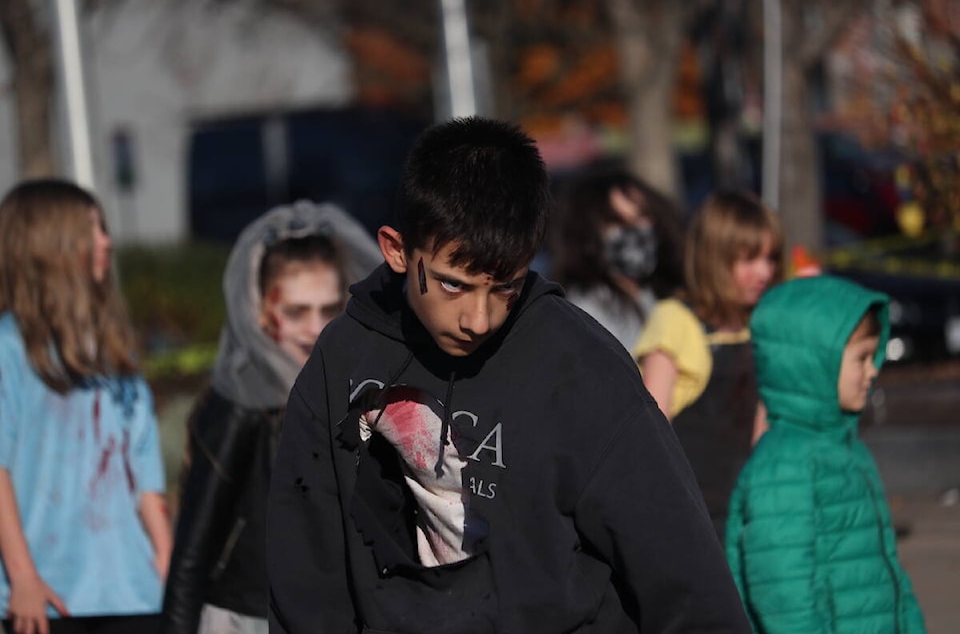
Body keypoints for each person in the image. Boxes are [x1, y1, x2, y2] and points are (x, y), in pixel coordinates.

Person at [266, 117, 751, 633]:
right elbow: (306, 557)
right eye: (454, 285)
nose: (480, 319)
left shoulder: (580, 368)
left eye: (505, 287)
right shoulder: (345, 356)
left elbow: (677, 564)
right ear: (398, 251)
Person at [161, 201, 381, 634]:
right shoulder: (240, 406)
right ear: (262, 313)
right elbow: (193, 552)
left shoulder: (358, 398)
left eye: (329, 309)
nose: (316, 328)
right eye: (296, 312)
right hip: (248, 616)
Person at [0, 179, 170, 634]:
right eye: (89, 229)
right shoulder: (9, 348)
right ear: (46, 243)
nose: (105, 242)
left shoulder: (115, 352)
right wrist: (22, 577)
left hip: (135, 591)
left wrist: (165, 557)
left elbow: (143, 469)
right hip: (48, 597)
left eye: (104, 227)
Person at [726, 275, 926, 633]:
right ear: (815, 365)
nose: (873, 369)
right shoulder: (784, 466)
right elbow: (784, 597)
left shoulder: (848, 450)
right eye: (862, 358)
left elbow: (889, 570)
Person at [634, 190, 782, 540]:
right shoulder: (676, 321)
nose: (764, 271)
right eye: (749, 259)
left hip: (745, 506)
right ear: (714, 258)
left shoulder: (760, 324)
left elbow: (763, 428)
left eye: (771, 258)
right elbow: (650, 430)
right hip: (689, 515)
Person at [550, 168, 685, 351]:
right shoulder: (585, 311)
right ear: (587, 233)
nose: (634, 231)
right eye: (616, 221)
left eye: (640, 217)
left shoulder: (661, 293)